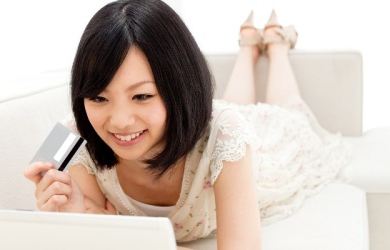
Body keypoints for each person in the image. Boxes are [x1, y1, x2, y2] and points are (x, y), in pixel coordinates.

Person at [24, 0, 351, 249]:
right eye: (98, 97)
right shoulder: (74, 137)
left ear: (178, 86)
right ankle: (248, 48)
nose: (120, 121)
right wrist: (71, 213)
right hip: (219, 123)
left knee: (285, 114)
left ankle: (276, 45)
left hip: (261, 154)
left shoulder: (227, 135)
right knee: (237, 110)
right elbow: (87, 220)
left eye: (141, 96)